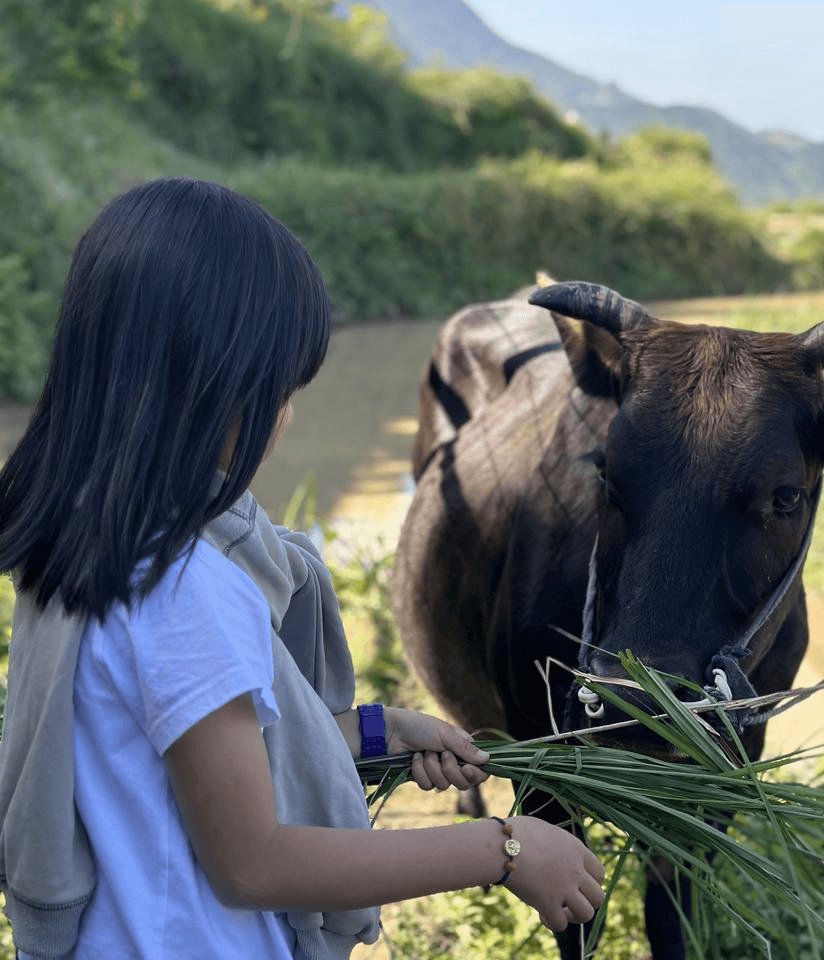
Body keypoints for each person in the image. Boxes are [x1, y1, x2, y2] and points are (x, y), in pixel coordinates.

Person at [0, 177, 604, 960]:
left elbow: (179, 760)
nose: (285, 416)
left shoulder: (85, 549)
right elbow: (255, 862)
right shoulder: (185, 587)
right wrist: (504, 849)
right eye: (280, 389)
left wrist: (378, 732)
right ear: (213, 385)